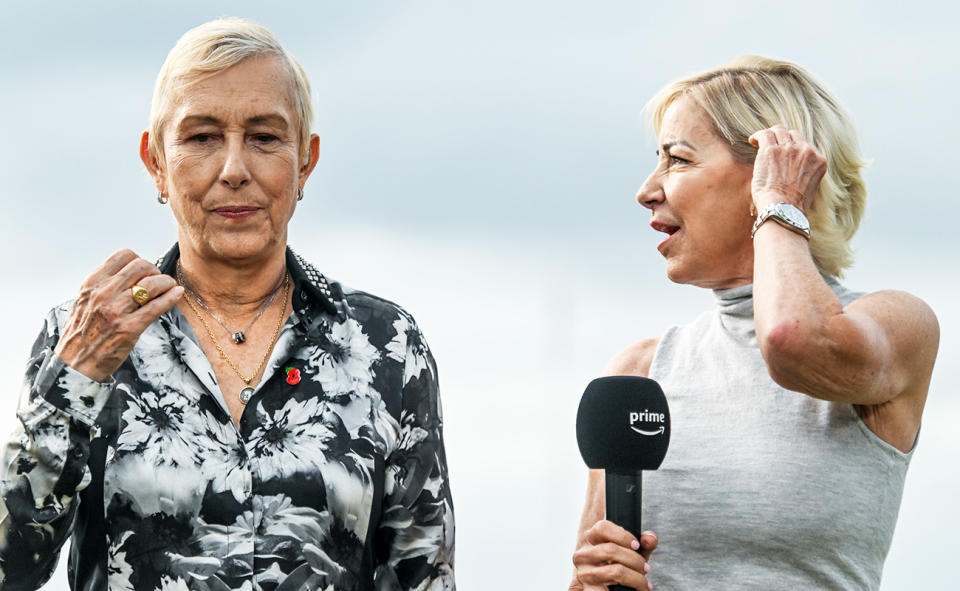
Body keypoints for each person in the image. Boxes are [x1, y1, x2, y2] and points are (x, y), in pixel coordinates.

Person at [0, 18, 454, 590]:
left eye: (264, 137)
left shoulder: (387, 347)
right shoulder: (85, 337)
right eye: (202, 137)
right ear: (156, 163)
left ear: (305, 162)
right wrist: (74, 378)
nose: (235, 169)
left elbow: (424, 577)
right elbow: (9, 567)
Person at [570, 55, 939, 590]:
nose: (647, 189)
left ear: (771, 166)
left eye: (677, 160)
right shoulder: (638, 375)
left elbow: (793, 340)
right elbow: (591, 574)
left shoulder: (898, 324)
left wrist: (779, 203)